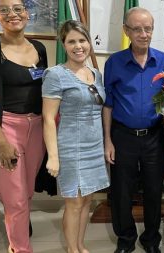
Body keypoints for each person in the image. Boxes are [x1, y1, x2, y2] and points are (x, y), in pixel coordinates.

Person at [0, 0, 56, 252]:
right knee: (15, 198)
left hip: (37, 129)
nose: (12, 14)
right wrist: (1, 141)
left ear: (27, 13)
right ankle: (21, 248)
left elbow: (46, 89)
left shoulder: (40, 48)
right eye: (4, 9)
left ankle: (16, 241)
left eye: (18, 8)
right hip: (6, 128)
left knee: (27, 192)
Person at [102, 7, 164, 253]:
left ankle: (151, 239)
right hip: (123, 137)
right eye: (137, 29)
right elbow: (108, 104)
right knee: (121, 191)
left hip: (154, 137)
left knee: (154, 190)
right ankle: (126, 239)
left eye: (148, 28)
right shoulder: (114, 62)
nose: (144, 34)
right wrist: (107, 140)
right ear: (126, 31)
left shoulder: (163, 60)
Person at [42, 20, 110, 253]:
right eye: (72, 41)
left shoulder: (95, 74)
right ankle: (71, 249)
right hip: (71, 146)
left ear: (89, 43)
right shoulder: (55, 75)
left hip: (94, 145)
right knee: (74, 202)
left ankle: (80, 246)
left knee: (87, 201)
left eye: (82, 40)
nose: (78, 46)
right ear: (64, 45)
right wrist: (53, 156)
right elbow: (48, 118)